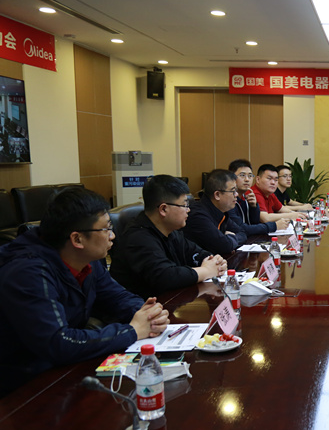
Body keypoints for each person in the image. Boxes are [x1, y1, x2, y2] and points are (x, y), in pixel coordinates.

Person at [0, 187, 170, 397]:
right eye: (106, 229)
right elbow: (57, 342)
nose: (113, 236)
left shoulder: (86, 259)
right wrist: (132, 331)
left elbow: (115, 296)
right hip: (23, 387)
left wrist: (148, 315)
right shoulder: (28, 272)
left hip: (63, 369)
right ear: (77, 239)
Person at [110, 175, 228, 297]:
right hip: (142, 305)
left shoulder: (170, 230)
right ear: (163, 209)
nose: (188, 210)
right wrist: (206, 271)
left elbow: (193, 251)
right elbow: (166, 277)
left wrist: (214, 261)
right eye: (184, 205)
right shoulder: (138, 238)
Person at [184, 169, 247, 255]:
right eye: (233, 191)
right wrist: (230, 238)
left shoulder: (220, 211)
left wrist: (228, 239)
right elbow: (224, 246)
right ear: (217, 195)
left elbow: (242, 233)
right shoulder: (198, 215)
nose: (236, 194)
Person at [228, 159, 288, 235]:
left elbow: (254, 223)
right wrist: (274, 226)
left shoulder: (246, 197)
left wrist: (254, 207)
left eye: (250, 176)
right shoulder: (228, 200)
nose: (247, 179)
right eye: (242, 175)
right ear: (231, 177)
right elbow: (242, 229)